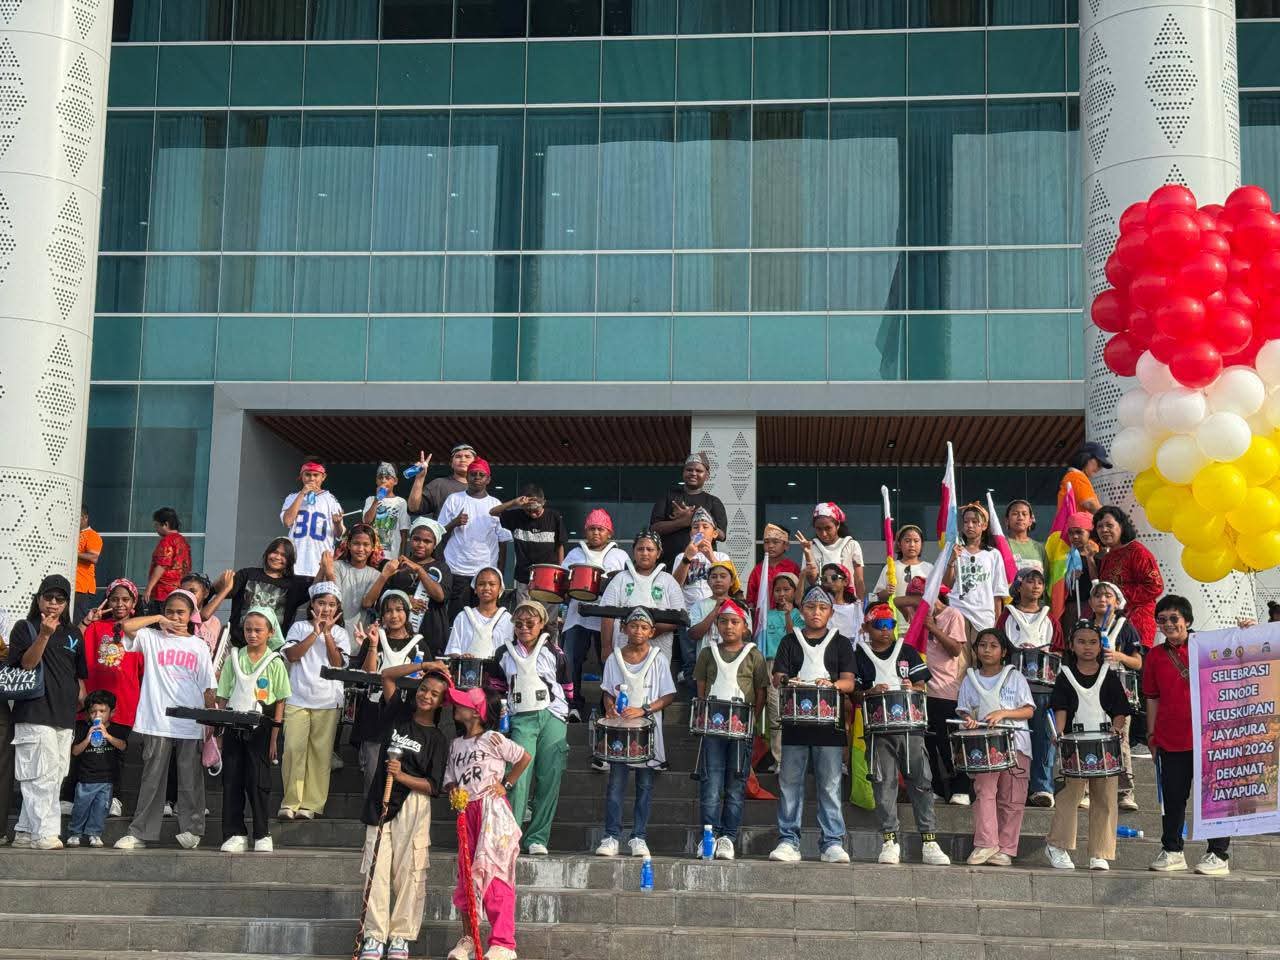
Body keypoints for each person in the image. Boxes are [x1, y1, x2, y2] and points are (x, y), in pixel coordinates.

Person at [356, 668, 449, 960]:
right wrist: (428, 664)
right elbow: (387, 676)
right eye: (424, 688)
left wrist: (403, 777)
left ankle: (400, 936)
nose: (426, 695)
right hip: (380, 801)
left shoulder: (438, 738)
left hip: (413, 804)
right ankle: (374, 935)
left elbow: (434, 785)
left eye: (434, 693)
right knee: (377, 868)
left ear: (441, 702)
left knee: (410, 872)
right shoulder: (398, 717)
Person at [114, 590, 216, 850]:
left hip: (191, 721)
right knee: (152, 777)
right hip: (156, 718)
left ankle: (193, 831)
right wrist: (157, 617)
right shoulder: (152, 637)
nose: (174, 617)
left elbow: (208, 688)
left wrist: (210, 723)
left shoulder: (198, 645)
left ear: (191, 615)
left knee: (190, 778)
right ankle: (140, 832)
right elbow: (126, 626)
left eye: (180, 612)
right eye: (170, 611)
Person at [853, 601, 951, 866]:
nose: (886, 631)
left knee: (921, 781)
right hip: (878, 731)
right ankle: (889, 840)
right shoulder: (858, 654)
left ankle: (929, 841)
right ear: (866, 628)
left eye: (890, 625)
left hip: (911, 728)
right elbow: (854, 693)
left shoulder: (906, 650)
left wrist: (912, 686)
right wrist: (869, 693)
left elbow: (921, 685)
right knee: (884, 784)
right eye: (879, 625)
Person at [442, 685, 531, 960]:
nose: (456, 707)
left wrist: (506, 784)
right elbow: (450, 779)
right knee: (467, 874)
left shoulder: (493, 738)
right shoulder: (456, 744)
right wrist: (453, 790)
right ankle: (469, 937)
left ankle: (503, 942)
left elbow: (523, 757)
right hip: (465, 812)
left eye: (462, 704)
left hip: (491, 811)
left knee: (495, 872)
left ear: (477, 712)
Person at [768, 586, 856, 864]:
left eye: (822, 608)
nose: (816, 613)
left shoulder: (840, 642)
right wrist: (790, 681)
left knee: (829, 785)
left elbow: (849, 682)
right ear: (801, 610)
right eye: (810, 607)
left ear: (830, 612)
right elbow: (777, 677)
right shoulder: (789, 641)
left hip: (829, 726)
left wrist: (830, 685)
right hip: (795, 723)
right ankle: (788, 840)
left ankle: (832, 841)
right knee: (789, 783)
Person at [1145, 595, 1230, 876]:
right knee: (1173, 797)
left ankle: (1218, 854)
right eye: (1162, 620)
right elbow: (1152, 698)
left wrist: (1247, 628)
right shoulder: (1155, 656)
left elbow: (1241, 654)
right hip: (1171, 737)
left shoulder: (1207, 646)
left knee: (1215, 797)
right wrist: (1151, 734)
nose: (1168, 624)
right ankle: (1172, 850)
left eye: (1174, 619)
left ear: (1187, 621)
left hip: (1211, 737)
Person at [1044, 621, 1133, 870]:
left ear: (1100, 645)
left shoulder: (1110, 675)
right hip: (1075, 743)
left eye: (1093, 642)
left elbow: (1120, 711)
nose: (1087, 647)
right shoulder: (1065, 676)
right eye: (1081, 641)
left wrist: (1117, 729)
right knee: (1069, 796)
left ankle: (1100, 852)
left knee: (1105, 797)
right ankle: (1057, 845)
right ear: (1072, 645)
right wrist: (1058, 733)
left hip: (1105, 743)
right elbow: (1060, 710)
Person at [8, 575, 87, 850]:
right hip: (34, 711)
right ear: (39, 598)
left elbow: (79, 674)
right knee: (41, 774)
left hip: (65, 714)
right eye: (48, 597)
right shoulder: (24, 628)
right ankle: (46, 834)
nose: (53, 603)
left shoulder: (74, 633)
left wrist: (81, 696)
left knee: (55, 774)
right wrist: (44, 634)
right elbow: (27, 665)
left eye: (60, 599)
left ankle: (26, 831)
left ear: (66, 603)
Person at [594, 607, 677, 858]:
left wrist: (643, 710)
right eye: (633, 626)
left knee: (645, 785)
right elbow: (608, 690)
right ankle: (611, 836)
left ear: (652, 632)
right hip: (620, 730)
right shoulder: (614, 657)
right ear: (624, 629)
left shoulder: (658, 658)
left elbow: (669, 694)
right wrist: (609, 705)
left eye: (644, 627)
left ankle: (638, 836)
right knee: (616, 784)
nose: (638, 631)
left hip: (647, 730)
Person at [693, 600, 768, 860]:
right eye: (723, 621)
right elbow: (701, 688)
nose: (728, 626)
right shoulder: (708, 653)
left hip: (741, 730)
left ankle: (728, 836)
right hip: (712, 730)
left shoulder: (754, 655)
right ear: (717, 625)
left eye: (735, 622)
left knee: (735, 784)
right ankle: (708, 836)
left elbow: (760, 693)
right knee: (711, 784)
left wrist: (749, 721)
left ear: (745, 626)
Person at [956, 628, 1035, 866]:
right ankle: (986, 843)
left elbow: (1029, 710)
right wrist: (969, 720)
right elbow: (964, 710)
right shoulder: (970, 678)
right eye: (982, 645)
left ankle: (1007, 848)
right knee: (984, 793)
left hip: (1016, 744)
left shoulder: (1016, 677)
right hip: (984, 745)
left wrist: (1004, 713)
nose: (987, 650)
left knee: (1012, 798)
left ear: (1003, 652)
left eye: (993, 645)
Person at [498, 599, 570, 856]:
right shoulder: (504, 653)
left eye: (531, 623)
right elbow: (496, 687)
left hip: (552, 715)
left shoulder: (554, 651)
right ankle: (511, 835)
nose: (525, 628)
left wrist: (563, 713)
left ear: (541, 624)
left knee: (549, 776)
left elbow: (566, 683)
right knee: (517, 777)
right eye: (519, 624)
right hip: (521, 719)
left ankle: (537, 837)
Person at [216, 607, 290, 853]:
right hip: (234, 726)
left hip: (262, 727)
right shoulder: (234, 658)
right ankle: (234, 833)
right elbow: (223, 695)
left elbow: (280, 700)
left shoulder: (275, 661)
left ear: (270, 632)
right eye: (248, 629)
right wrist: (219, 732)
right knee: (232, 779)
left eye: (258, 630)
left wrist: (274, 739)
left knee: (258, 782)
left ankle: (262, 833)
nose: (252, 634)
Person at [280, 582, 351, 820]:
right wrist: (315, 632)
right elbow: (292, 655)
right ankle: (290, 801)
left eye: (331, 605)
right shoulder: (299, 627)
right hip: (297, 697)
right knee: (292, 749)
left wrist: (328, 633)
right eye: (322, 603)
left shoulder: (341, 633)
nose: (326, 609)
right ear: (312, 604)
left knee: (321, 754)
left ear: (338, 609)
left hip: (328, 701)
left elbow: (337, 663)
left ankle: (312, 804)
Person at [352, 592, 434, 793]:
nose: (394, 615)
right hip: (375, 712)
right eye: (388, 611)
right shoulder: (374, 638)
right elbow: (369, 673)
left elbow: (428, 678)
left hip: (405, 714)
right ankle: (372, 816)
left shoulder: (419, 643)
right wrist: (372, 644)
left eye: (399, 610)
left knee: (401, 771)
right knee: (373, 771)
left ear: (407, 613)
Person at [899, 576, 969, 806]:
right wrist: (920, 603)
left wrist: (932, 626)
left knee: (950, 743)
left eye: (923, 595)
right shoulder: (916, 614)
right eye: (916, 596)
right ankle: (937, 788)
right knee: (928, 744)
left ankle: (961, 788)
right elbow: (897, 601)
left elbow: (956, 650)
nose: (916, 602)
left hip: (946, 691)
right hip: (921, 691)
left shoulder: (952, 614)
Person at [996, 568, 1062, 808]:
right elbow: (999, 648)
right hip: (1014, 687)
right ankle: (1016, 786)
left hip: (1044, 687)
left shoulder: (1049, 618)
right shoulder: (1007, 616)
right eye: (1030, 581)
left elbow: (1060, 648)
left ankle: (1042, 787)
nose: (1035, 586)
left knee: (1045, 737)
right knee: (1016, 737)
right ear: (1018, 586)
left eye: (1040, 582)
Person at [79, 578, 144, 817]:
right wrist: (87, 621)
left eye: (125, 599)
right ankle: (76, 796)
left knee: (117, 753)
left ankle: (115, 798)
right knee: (91, 750)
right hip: (95, 700)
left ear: (133, 603)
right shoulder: (97, 627)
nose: (119, 604)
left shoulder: (142, 633)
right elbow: (76, 646)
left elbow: (144, 671)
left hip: (124, 703)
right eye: (114, 599)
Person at [559, 509, 629, 721]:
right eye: (591, 529)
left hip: (606, 619)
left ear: (609, 532)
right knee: (571, 660)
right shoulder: (574, 554)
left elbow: (627, 585)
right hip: (577, 616)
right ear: (585, 531)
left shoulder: (620, 556)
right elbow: (562, 582)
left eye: (600, 529)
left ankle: (606, 705)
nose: (596, 533)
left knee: (607, 663)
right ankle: (572, 704)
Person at [1084, 580, 1144, 811]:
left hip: (1119, 691)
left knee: (1121, 740)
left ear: (1117, 602)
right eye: (1097, 595)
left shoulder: (1125, 627)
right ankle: (1087, 790)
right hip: (1089, 691)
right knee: (1089, 736)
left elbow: (1138, 663)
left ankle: (1125, 792)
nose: (1102, 599)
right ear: (1090, 602)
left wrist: (1118, 656)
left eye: (1108, 596)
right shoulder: (1084, 626)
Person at [364, 517, 453, 657]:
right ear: (410, 539)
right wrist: (406, 601)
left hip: (431, 632)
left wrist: (419, 570)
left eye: (427, 541)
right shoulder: (395, 565)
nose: (421, 544)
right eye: (417, 539)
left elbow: (440, 596)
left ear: (435, 544)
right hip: (398, 636)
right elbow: (380, 600)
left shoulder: (442, 568)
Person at [204, 538, 314, 647]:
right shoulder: (247, 574)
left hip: (271, 652)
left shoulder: (294, 585)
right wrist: (219, 581)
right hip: (237, 645)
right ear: (267, 553)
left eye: (284, 555)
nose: (277, 557)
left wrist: (326, 568)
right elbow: (222, 590)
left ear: (290, 560)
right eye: (274, 552)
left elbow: (316, 589)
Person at [438, 458, 511, 620]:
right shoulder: (454, 499)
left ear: (488, 479)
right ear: (467, 477)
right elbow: (438, 533)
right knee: (456, 618)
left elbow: (503, 541)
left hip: (485, 573)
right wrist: (454, 523)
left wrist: (499, 574)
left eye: (481, 475)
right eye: (473, 474)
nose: (477, 477)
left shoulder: (495, 504)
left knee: (483, 619)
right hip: (456, 570)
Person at [599, 530, 685, 667]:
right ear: (634, 552)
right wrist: (605, 647)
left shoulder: (668, 581)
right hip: (623, 649)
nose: (645, 553)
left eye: (650, 549)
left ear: (658, 553)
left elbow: (679, 617)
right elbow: (606, 615)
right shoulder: (620, 579)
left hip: (659, 651)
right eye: (640, 549)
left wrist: (651, 631)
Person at [673, 507, 732, 678]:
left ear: (714, 534)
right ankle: (694, 700)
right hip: (689, 615)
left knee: (717, 658)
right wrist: (687, 558)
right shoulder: (681, 556)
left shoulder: (722, 557)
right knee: (691, 660)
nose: (700, 530)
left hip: (716, 613)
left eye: (705, 527)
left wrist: (710, 556)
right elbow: (675, 586)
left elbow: (730, 584)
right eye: (695, 527)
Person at [1095, 505, 1163, 649]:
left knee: (1136, 667)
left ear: (1122, 526)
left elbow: (1155, 586)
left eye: (1109, 525)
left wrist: (1119, 596)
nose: (1104, 530)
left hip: (1138, 623)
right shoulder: (1107, 557)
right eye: (1099, 526)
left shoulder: (1137, 552)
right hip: (1113, 624)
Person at [492, 485, 567, 615]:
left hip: (550, 577)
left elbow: (560, 545)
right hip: (524, 577)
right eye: (528, 511)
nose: (532, 514)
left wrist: (561, 573)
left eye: (536, 511)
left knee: (549, 620)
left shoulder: (553, 516)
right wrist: (515, 502)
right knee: (525, 617)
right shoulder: (517, 516)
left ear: (543, 503)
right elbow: (493, 512)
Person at [66, 689, 127, 848]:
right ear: (88, 714)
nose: (97, 715)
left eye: (102, 711)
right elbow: (75, 751)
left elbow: (122, 746)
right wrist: (88, 738)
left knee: (100, 810)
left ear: (112, 712)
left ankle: (95, 833)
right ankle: (75, 833)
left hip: (106, 780)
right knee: (81, 807)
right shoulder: (82, 728)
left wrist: (107, 736)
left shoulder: (116, 730)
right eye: (93, 712)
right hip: (86, 778)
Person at [649, 452, 728, 572]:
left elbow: (722, 535)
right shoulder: (668, 496)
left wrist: (695, 518)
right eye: (689, 470)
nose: (693, 473)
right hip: (668, 565)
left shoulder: (713, 502)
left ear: (707, 475)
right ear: (683, 472)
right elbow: (654, 529)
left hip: (702, 568)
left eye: (698, 471)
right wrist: (683, 522)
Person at [944, 502, 1009, 639]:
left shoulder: (993, 554)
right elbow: (946, 586)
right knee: (960, 658)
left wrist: (997, 619)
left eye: (975, 521)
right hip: (958, 611)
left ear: (984, 526)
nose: (970, 525)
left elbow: (997, 591)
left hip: (984, 616)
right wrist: (951, 561)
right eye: (966, 522)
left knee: (980, 656)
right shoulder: (954, 550)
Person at [758, 572, 803, 772]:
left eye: (786, 590)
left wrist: (788, 615)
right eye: (777, 590)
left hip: (793, 667)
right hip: (771, 664)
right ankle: (779, 759)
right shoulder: (766, 615)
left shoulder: (799, 615)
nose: (781, 594)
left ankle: (795, 758)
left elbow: (796, 639)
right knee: (775, 711)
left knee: (793, 712)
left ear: (794, 592)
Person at [444, 567, 513, 694]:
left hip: (497, 682)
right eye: (481, 584)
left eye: (492, 584)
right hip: (468, 679)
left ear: (500, 589)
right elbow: (452, 650)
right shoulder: (463, 616)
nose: (486, 588)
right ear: (475, 589)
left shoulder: (509, 620)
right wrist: (462, 658)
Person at [281, 459, 345, 578]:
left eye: (316, 475)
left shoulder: (331, 500)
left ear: (323, 477)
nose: (311, 479)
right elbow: (287, 521)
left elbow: (339, 534)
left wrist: (337, 523)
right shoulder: (292, 497)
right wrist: (302, 494)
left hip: (319, 565)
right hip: (295, 564)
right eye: (308, 475)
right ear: (302, 476)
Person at [322, 526, 385, 632]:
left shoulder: (376, 575)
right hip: (333, 629)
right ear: (349, 545)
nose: (361, 549)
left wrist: (384, 576)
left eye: (366, 545)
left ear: (373, 547)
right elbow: (335, 599)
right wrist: (328, 574)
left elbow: (367, 603)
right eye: (356, 543)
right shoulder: (337, 566)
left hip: (359, 632)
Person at [799, 502, 865, 602]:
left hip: (848, 602)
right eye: (819, 529)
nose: (823, 534)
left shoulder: (851, 545)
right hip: (822, 604)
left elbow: (859, 579)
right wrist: (808, 554)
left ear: (837, 525)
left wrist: (860, 604)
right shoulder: (810, 547)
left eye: (828, 528)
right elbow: (813, 581)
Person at [407, 444, 475, 519]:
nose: (463, 459)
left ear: (475, 463)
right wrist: (419, 478)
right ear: (452, 463)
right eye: (458, 456)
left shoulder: (479, 489)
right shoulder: (439, 484)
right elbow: (413, 508)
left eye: (467, 456)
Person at [143, 507, 191, 612]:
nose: (156, 529)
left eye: (156, 525)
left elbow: (161, 565)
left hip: (162, 592)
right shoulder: (183, 542)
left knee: (156, 625)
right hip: (179, 592)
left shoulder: (167, 541)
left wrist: (149, 588)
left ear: (165, 524)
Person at [745, 522, 801, 612]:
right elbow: (750, 600)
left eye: (775, 542)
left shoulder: (792, 568)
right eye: (767, 542)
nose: (770, 546)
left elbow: (799, 595)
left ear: (786, 546)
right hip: (762, 620)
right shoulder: (758, 570)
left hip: (787, 617)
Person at [687, 558, 739, 655]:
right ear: (708, 582)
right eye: (714, 577)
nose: (718, 580)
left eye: (723, 576)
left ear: (732, 581)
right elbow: (694, 634)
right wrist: (715, 610)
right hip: (706, 664)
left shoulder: (739, 606)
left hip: (733, 663)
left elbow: (746, 635)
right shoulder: (698, 605)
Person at [363, 463, 411, 561]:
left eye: (388, 478)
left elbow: (404, 531)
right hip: (372, 555)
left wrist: (402, 556)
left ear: (395, 481)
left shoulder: (401, 502)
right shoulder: (371, 500)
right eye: (380, 477)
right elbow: (367, 521)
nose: (383, 481)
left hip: (391, 557)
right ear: (376, 481)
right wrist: (377, 500)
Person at [874, 524, 933, 601]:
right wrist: (886, 592)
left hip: (922, 612)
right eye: (907, 541)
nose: (912, 545)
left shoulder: (929, 568)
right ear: (899, 544)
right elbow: (876, 596)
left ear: (921, 544)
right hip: (895, 612)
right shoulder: (891, 567)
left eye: (916, 541)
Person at [1062, 512, 1099, 633]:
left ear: (1089, 533)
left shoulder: (1100, 555)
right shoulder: (1064, 557)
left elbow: (1098, 584)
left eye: (1079, 532)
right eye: (1071, 533)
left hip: (1092, 607)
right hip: (1070, 609)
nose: (1075, 537)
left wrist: (1090, 558)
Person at [1059, 441, 1110, 513]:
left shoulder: (1074, 476)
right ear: (1086, 457)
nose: (1100, 468)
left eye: (1102, 466)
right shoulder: (1076, 476)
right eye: (1099, 463)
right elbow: (1090, 504)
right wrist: (1114, 518)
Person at [180, 572, 222, 656]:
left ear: (206, 593)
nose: (188, 595)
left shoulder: (215, 622)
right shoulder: (180, 617)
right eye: (183, 592)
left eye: (193, 591)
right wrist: (225, 589)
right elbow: (203, 616)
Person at [75, 505, 103, 622]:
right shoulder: (74, 534)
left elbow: (93, 557)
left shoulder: (92, 535)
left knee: (78, 620)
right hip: (72, 585)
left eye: (77, 517)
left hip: (82, 587)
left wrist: (72, 554)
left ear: (85, 518)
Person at [1005, 500, 1047, 575]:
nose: (1020, 517)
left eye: (1024, 514)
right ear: (1007, 520)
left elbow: (1045, 578)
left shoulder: (1040, 548)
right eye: (1015, 514)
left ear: (1030, 521)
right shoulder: (1001, 545)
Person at [820, 563, 860, 638]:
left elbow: (860, 634)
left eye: (834, 578)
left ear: (845, 581)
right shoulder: (819, 607)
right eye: (825, 579)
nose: (829, 581)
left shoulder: (856, 607)